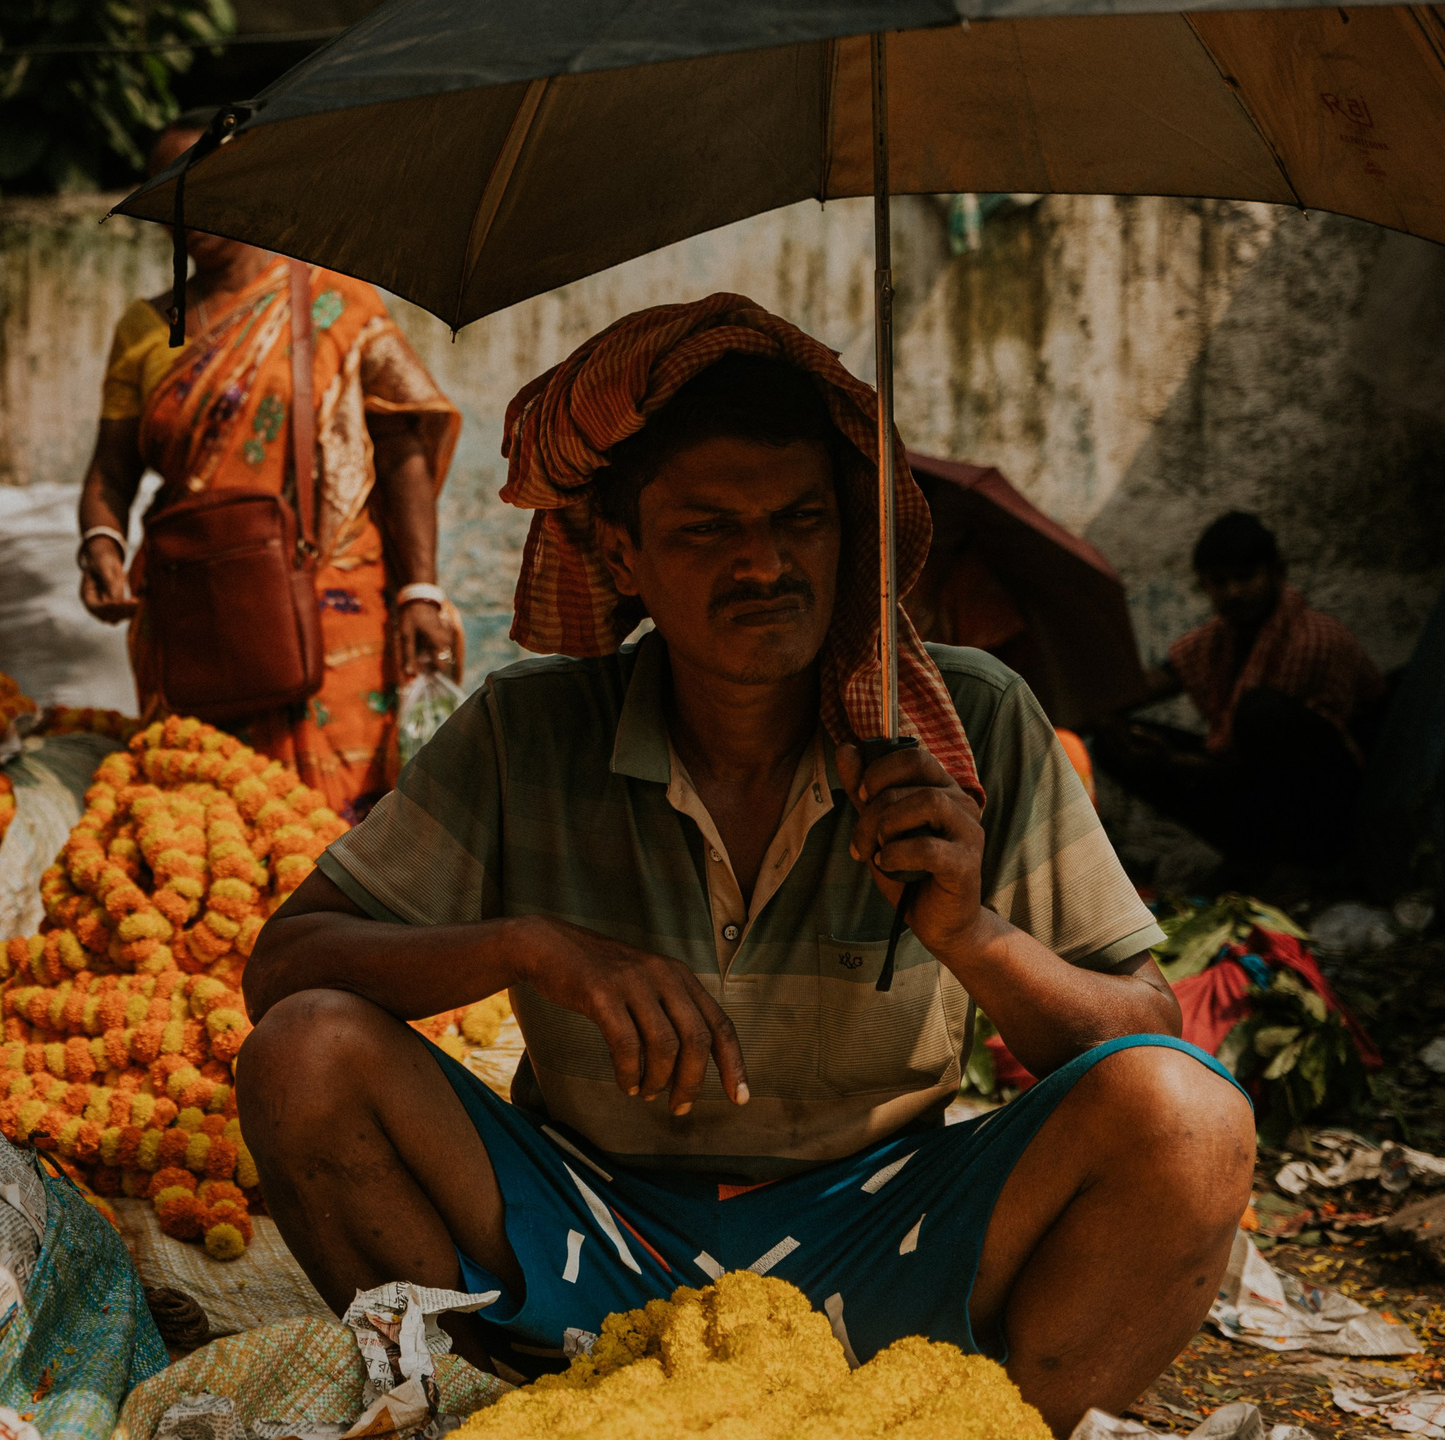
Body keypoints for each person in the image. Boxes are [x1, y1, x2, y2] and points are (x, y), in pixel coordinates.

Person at [236, 294, 1254, 1435]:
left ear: (848, 531)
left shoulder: (966, 724)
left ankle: (981, 1427)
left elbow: (1143, 1027)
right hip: (588, 1231)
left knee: (1189, 1117)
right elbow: (286, 968)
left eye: (801, 520)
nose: (765, 563)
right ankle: (489, 1413)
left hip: (883, 1235)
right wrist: (534, 949)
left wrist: (972, 934)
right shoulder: (531, 729)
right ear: (617, 552)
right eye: (707, 529)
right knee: (303, 1055)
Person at [75, 118, 463, 820]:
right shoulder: (144, 328)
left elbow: (404, 446)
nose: (187, 205)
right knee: (210, 835)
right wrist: (100, 543)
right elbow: (111, 471)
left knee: (346, 835)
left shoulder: (336, 302)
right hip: (198, 616)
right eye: (170, 188)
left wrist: (421, 592)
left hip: (334, 605)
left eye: (208, 182)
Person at [1097, 511, 1384, 872]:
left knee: (1258, 711)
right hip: (1249, 780)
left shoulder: (1314, 638)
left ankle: (1299, 866)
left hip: (1334, 801)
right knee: (1113, 741)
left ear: (1276, 572)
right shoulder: (1219, 639)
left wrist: (1174, 762)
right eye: (1219, 582)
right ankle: (1253, 856)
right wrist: (1099, 708)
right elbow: (1150, 683)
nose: (1232, 592)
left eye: (1245, 577)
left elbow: (1274, 765)